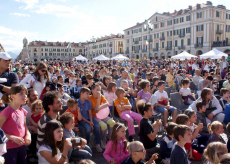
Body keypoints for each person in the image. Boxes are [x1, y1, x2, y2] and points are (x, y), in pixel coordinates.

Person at [0, 85, 31, 164]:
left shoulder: (22, 111)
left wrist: (28, 135)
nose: (25, 96)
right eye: (21, 93)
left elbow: (24, 126)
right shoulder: (6, 112)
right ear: (12, 96)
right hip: (9, 148)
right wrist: (12, 138)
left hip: (22, 147)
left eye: (26, 94)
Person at [89, 84, 116, 149]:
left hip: (103, 115)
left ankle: (109, 139)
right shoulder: (90, 98)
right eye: (97, 90)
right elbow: (95, 109)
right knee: (104, 126)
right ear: (92, 91)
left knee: (113, 122)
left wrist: (98, 109)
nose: (99, 91)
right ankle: (103, 140)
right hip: (95, 117)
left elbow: (107, 104)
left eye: (100, 90)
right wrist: (99, 99)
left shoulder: (101, 95)